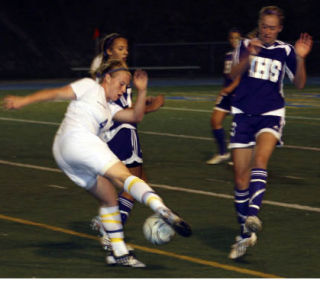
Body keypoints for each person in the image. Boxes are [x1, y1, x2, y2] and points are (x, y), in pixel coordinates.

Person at [3, 59, 191, 267]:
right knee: (124, 176)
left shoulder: (110, 109)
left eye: (126, 86)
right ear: (107, 77)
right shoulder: (89, 86)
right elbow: (56, 93)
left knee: (109, 197)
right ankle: (162, 209)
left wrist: (142, 90)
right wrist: (24, 100)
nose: (122, 90)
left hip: (65, 154)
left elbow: (136, 116)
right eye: (121, 83)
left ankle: (118, 253)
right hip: (78, 139)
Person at [227, 6, 313, 259]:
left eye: (272, 27)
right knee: (240, 180)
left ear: (280, 29)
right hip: (242, 113)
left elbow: (299, 83)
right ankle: (245, 234)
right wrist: (247, 57)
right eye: (264, 26)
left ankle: (252, 214)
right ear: (259, 24)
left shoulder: (285, 50)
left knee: (261, 160)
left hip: (271, 113)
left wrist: (301, 57)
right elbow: (232, 74)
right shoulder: (245, 44)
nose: (267, 31)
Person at [89, 33, 165, 250]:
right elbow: (126, 112)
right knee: (133, 185)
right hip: (123, 134)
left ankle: (109, 223)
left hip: (111, 134)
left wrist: (144, 100)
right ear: (109, 52)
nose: (125, 52)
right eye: (120, 49)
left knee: (136, 181)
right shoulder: (116, 74)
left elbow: (124, 102)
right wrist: (153, 105)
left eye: (126, 48)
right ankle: (111, 232)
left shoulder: (110, 75)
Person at [206, 28, 241, 165]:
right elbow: (227, 78)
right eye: (232, 38)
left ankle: (239, 156)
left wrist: (229, 89)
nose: (234, 41)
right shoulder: (228, 55)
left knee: (239, 127)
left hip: (239, 95)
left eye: (237, 38)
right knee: (215, 121)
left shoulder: (245, 55)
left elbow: (241, 78)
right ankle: (223, 153)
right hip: (227, 94)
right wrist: (223, 91)